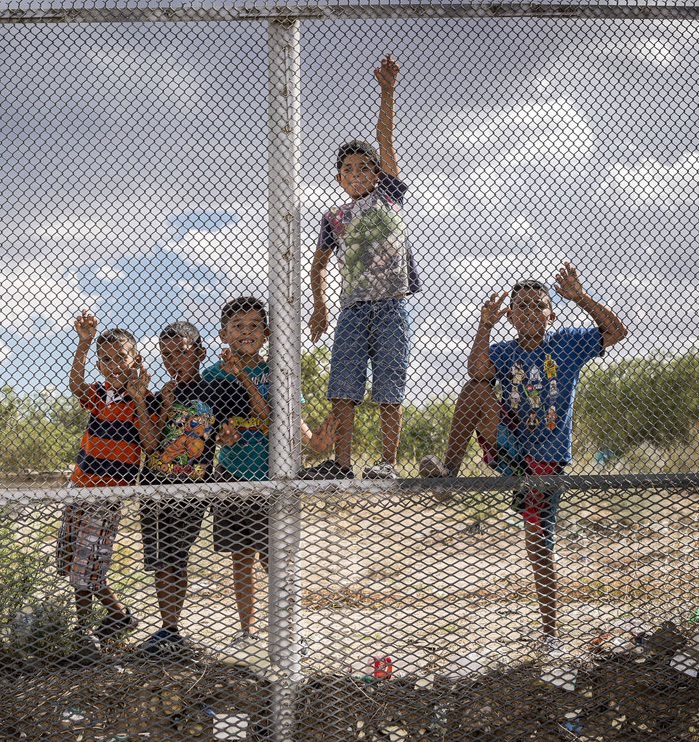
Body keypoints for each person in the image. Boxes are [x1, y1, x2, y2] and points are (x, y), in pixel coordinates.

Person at [420, 262, 627, 654]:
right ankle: (448, 473)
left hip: (545, 461)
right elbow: (477, 370)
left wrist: (579, 296)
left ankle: (550, 635)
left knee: (538, 547)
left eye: (539, 305)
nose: (531, 311)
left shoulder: (566, 344)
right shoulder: (503, 350)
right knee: (475, 389)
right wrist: (485, 325)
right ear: (511, 315)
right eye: (522, 306)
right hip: (510, 449)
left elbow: (616, 332)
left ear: (551, 314)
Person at [307, 55, 420, 480]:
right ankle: (340, 464)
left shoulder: (388, 196)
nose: (356, 174)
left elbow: (385, 140)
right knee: (343, 389)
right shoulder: (334, 218)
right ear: (339, 178)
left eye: (363, 167)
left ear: (376, 173)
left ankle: (387, 464)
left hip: (390, 304)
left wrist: (386, 92)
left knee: (389, 387)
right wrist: (320, 306)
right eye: (347, 170)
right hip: (352, 309)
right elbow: (318, 265)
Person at [205, 297, 333, 645]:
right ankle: (246, 631)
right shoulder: (214, 374)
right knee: (241, 558)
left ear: (267, 334)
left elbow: (286, 418)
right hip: (234, 475)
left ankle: (290, 630)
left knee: (277, 558)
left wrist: (322, 431)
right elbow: (218, 424)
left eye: (253, 326)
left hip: (275, 477)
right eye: (238, 327)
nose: (246, 332)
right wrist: (222, 434)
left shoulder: (280, 369)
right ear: (224, 334)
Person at [57, 310, 156, 643]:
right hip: (79, 486)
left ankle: (84, 630)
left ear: (135, 359)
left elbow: (148, 441)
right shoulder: (99, 395)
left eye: (120, 357)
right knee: (72, 561)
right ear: (99, 365)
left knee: (87, 567)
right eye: (106, 359)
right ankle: (116, 617)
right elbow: (75, 386)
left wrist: (140, 399)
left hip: (106, 494)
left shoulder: (144, 399)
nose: (113, 364)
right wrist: (83, 345)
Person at [137, 322, 236, 655]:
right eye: (166, 354)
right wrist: (161, 405)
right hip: (154, 485)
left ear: (199, 352)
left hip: (193, 486)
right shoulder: (160, 394)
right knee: (160, 559)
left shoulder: (217, 390)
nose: (173, 360)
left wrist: (227, 434)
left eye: (181, 352)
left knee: (178, 556)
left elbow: (232, 426)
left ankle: (172, 625)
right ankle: (169, 630)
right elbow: (150, 444)